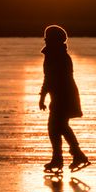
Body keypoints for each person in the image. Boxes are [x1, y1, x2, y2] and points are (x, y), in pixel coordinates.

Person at [38, 25, 89, 172]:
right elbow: (48, 78)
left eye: (48, 38)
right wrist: (43, 96)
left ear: (56, 40)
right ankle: (67, 157)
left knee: (57, 127)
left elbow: (51, 78)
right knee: (57, 127)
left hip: (64, 95)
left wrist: (42, 97)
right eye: (45, 37)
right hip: (59, 95)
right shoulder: (53, 54)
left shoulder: (59, 56)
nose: (45, 40)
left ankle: (70, 156)